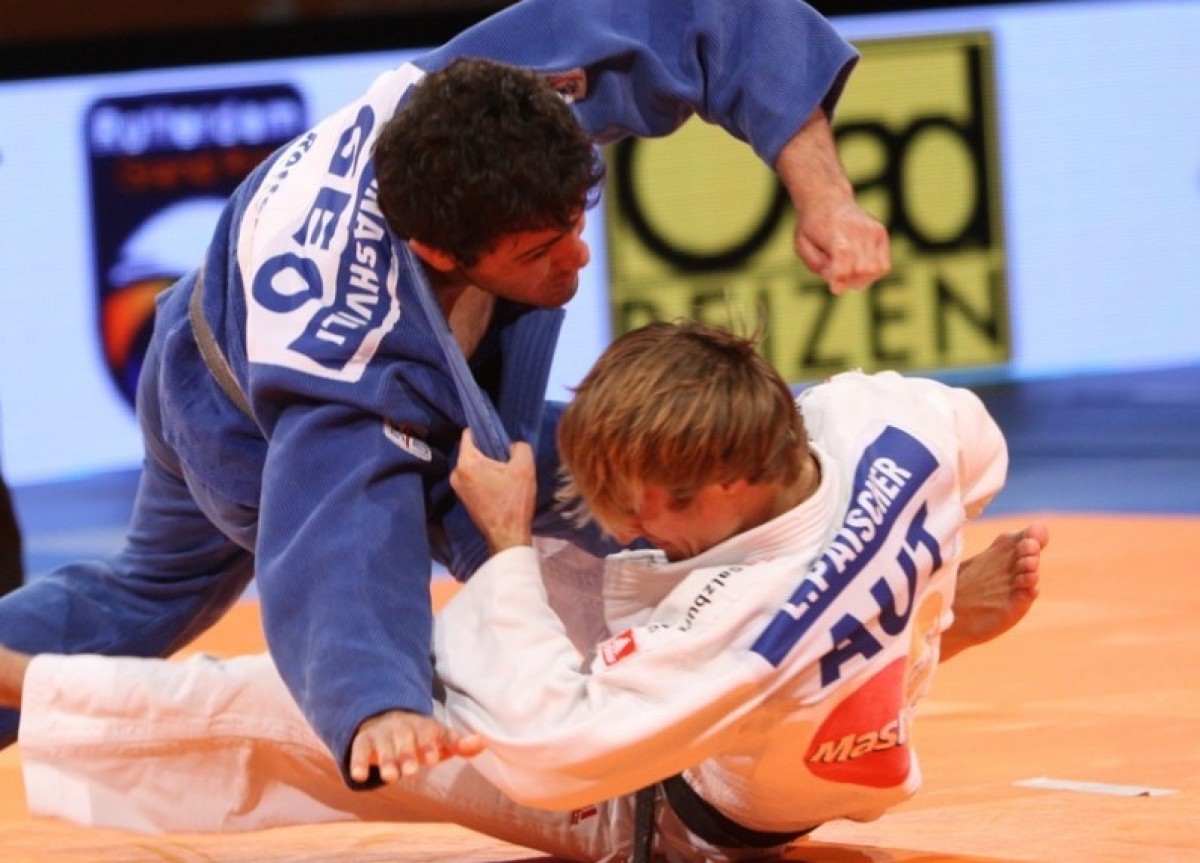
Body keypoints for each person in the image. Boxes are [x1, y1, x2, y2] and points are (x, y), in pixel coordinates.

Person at [0, 0, 891, 785]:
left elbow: (707, 14)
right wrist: (377, 705)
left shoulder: (498, 98)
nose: (578, 258)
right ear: (437, 253)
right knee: (585, 489)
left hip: (200, 326)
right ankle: (759, 603)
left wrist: (826, 197)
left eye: (574, 222)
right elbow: (335, 539)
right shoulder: (355, 360)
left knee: (143, 593)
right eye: (539, 251)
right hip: (238, 432)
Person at [1, 322, 1045, 862]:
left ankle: (16, 675)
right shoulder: (899, 423)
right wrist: (928, 592)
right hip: (806, 710)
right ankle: (906, 626)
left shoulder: (743, 622)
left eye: (646, 507)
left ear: (726, 477)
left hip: (664, 804)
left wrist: (504, 548)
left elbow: (551, 753)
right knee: (569, 516)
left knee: (290, 708)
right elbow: (979, 449)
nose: (628, 526)